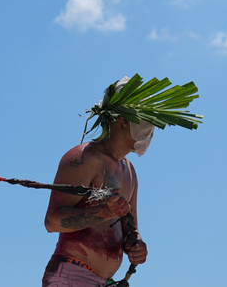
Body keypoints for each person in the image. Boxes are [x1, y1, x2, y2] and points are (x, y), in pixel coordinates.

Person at [42, 78, 155, 287]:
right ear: (123, 119)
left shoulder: (130, 171)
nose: (151, 128)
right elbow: (52, 221)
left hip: (103, 281)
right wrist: (104, 211)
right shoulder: (85, 157)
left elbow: (131, 226)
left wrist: (136, 245)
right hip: (71, 275)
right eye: (146, 118)